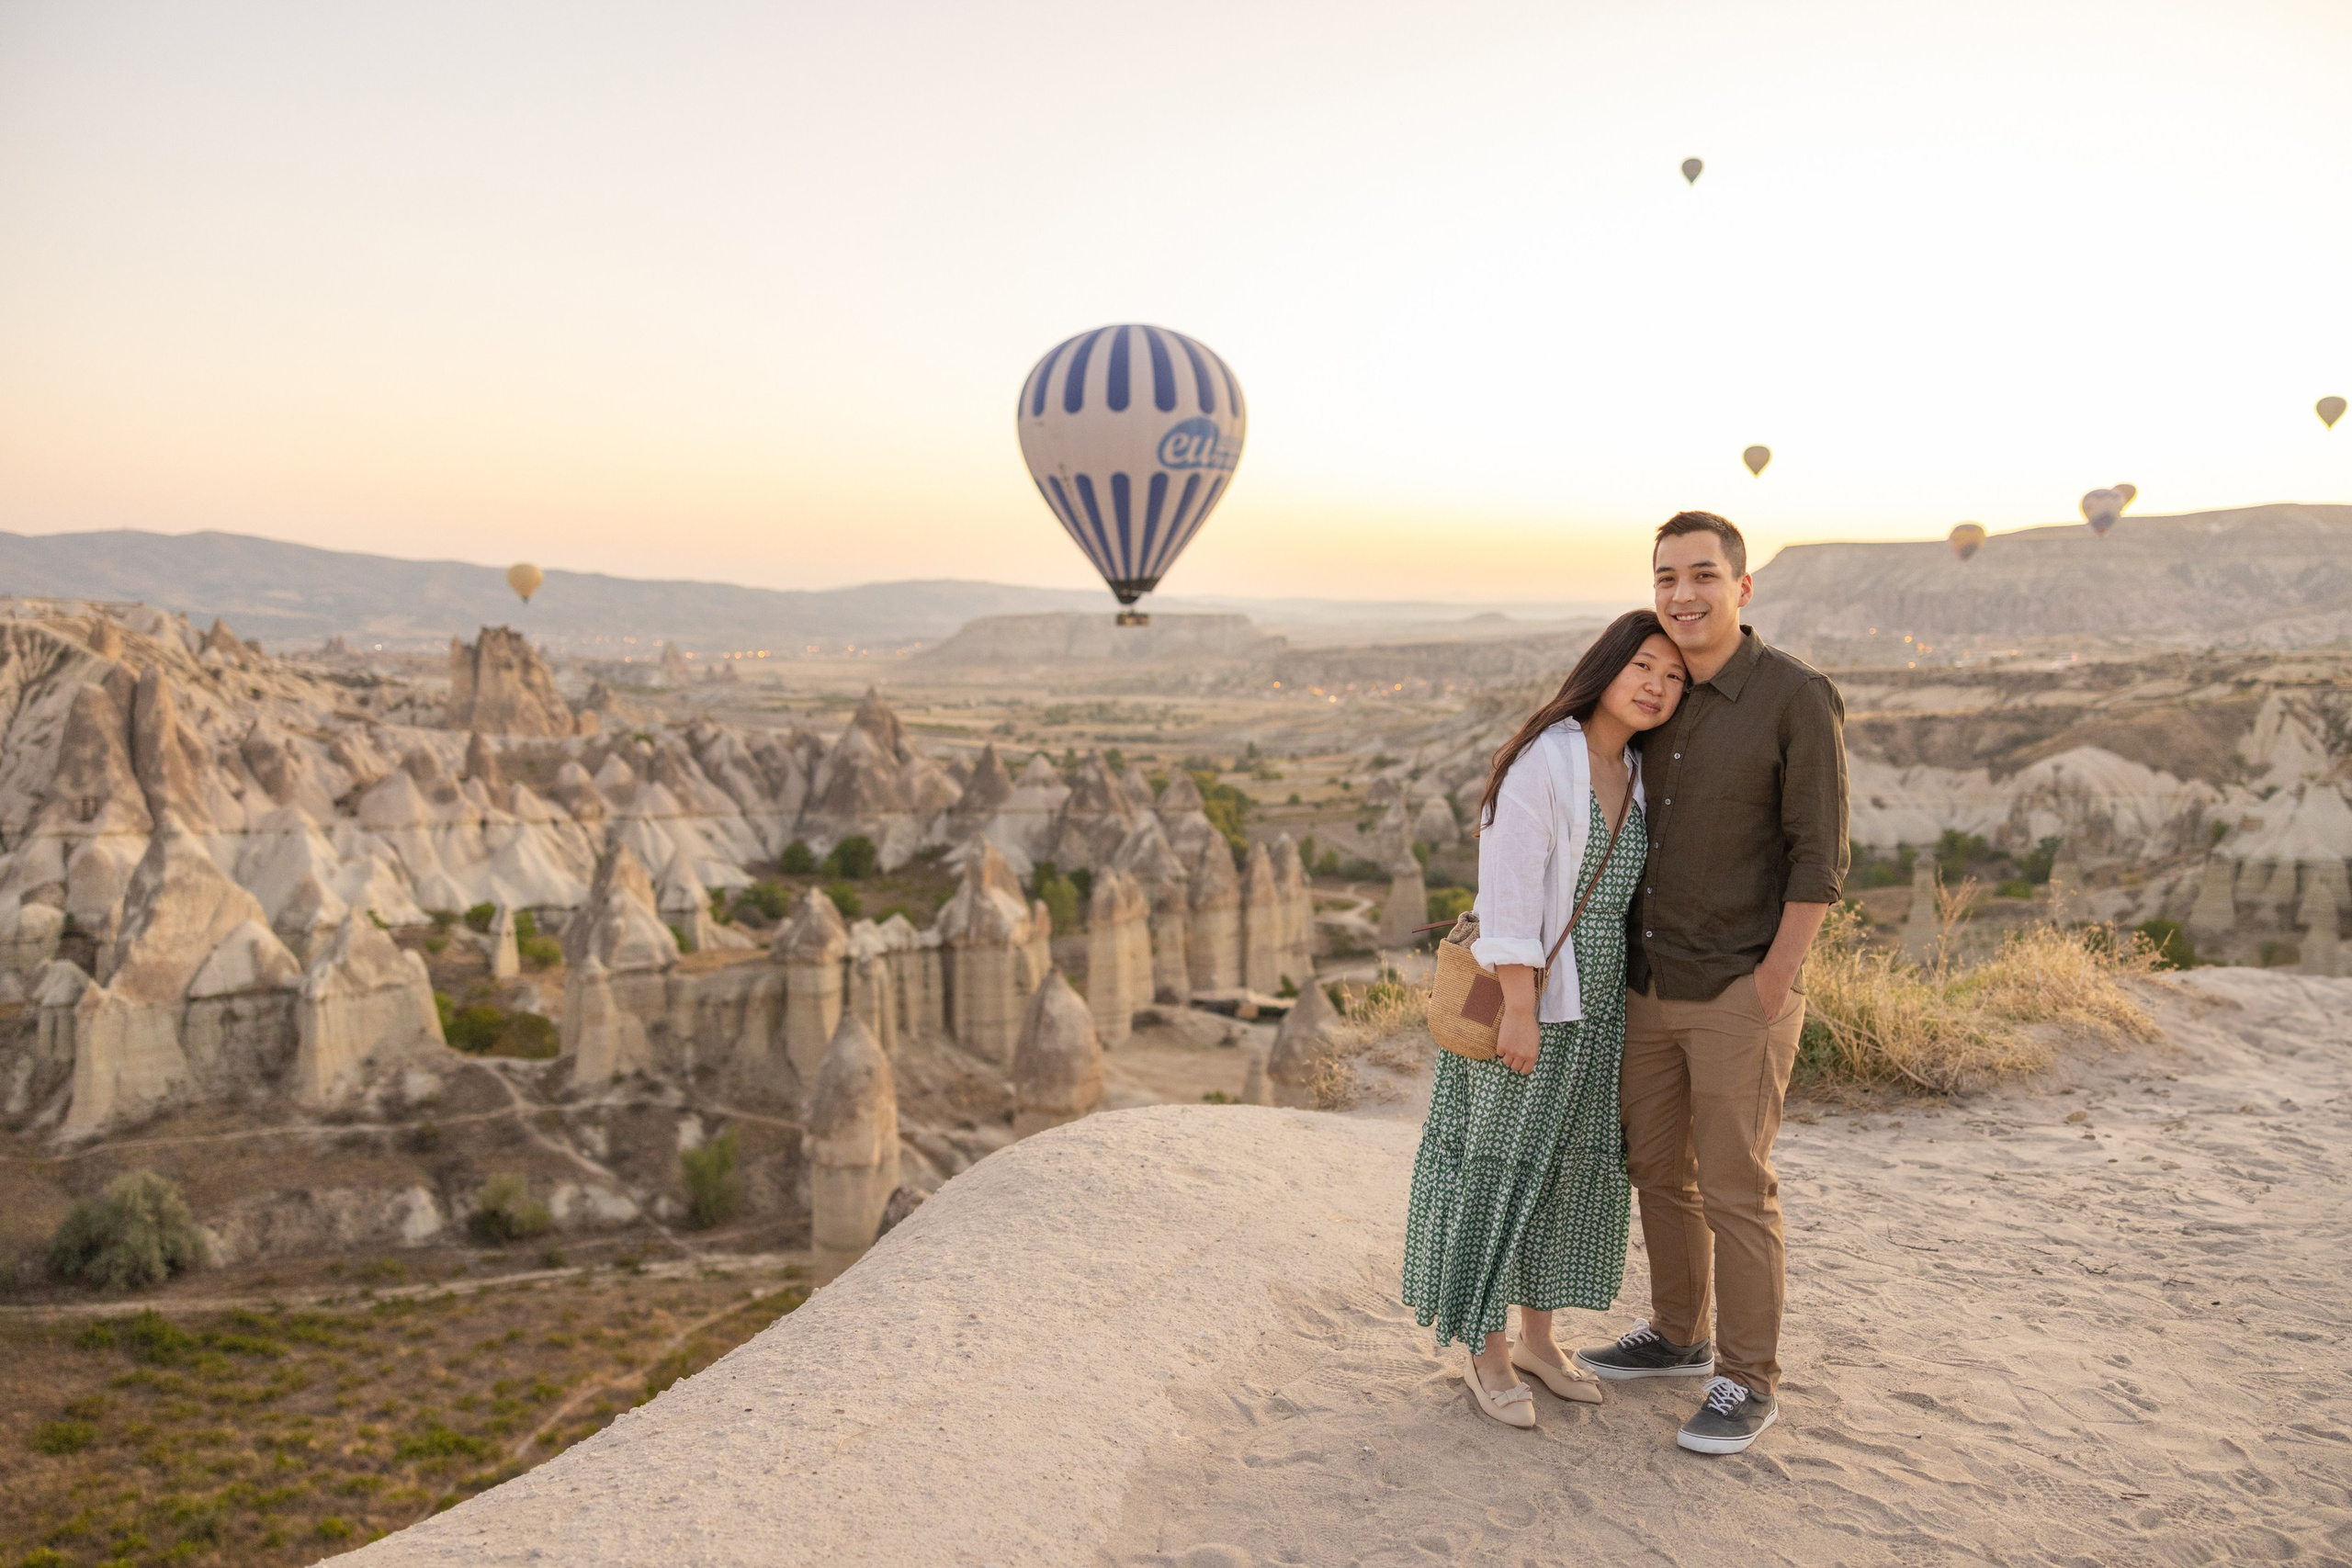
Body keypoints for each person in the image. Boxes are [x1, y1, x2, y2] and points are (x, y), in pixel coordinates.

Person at [1575, 511, 1849, 1456]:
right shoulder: (1654, 691)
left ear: (1741, 587)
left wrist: (1771, 983)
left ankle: (1746, 1380)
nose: (1681, 594)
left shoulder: (1795, 698)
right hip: (1649, 983)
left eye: (1701, 574)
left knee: (1736, 1187)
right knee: (1657, 1169)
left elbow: (1819, 858)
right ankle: (1679, 1336)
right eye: (1664, 578)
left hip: (1740, 987)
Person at [1401, 609, 1688, 1428]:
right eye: (1643, 666)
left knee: (1566, 1171)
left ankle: (1539, 1339)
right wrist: (1521, 1008)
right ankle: (1485, 1351)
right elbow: (1511, 896)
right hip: (1535, 1007)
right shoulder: (1543, 762)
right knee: (1500, 1168)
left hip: (1596, 1016)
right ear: (1605, 668)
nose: (1657, 687)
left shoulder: (1632, 768)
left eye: (1673, 677)